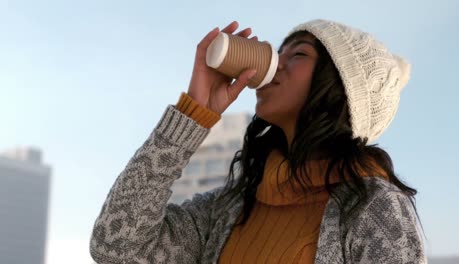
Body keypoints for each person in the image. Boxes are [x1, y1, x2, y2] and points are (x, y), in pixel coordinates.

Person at [90, 19, 426, 263]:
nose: (275, 63)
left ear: (339, 86)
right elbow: (116, 247)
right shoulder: (230, 208)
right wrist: (193, 113)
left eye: (298, 55)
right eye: (279, 52)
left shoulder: (374, 207)